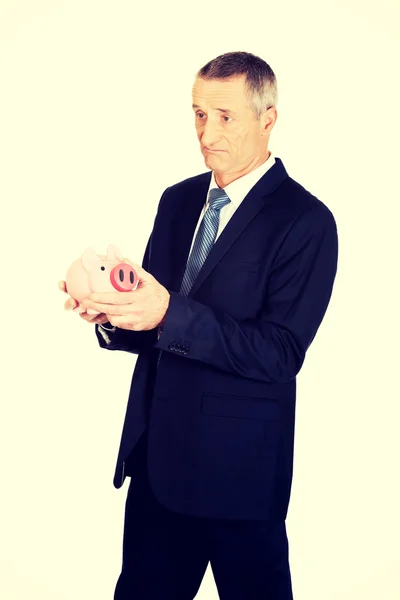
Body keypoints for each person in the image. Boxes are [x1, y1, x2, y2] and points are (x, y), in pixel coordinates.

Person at [60, 51, 338, 600]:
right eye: (197, 114)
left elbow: (279, 352)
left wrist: (167, 313)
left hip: (238, 476)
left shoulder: (306, 221)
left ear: (268, 119)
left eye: (225, 117)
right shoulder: (178, 199)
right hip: (157, 467)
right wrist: (111, 315)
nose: (206, 133)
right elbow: (156, 315)